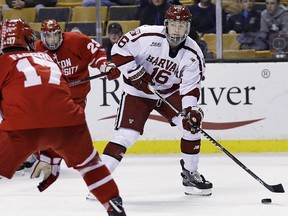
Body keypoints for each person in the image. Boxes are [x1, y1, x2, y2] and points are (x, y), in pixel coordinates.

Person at [0, 18, 126, 216]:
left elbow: (35, 114)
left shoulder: (4, 62)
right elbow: (53, 106)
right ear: (30, 39)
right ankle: (112, 202)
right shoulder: (47, 59)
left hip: (23, 127)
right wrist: (49, 156)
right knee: (91, 165)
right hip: (70, 121)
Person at [102, 4, 213, 196]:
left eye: (182, 25)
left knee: (191, 126)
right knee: (126, 135)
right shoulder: (147, 35)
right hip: (138, 92)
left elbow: (190, 87)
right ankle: (100, 182)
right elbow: (119, 50)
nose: (177, 29)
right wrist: (133, 71)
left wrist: (190, 110)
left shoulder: (193, 53)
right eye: (173, 24)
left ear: (188, 27)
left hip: (169, 92)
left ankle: (190, 174)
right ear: (166, 24)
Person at [16, 19, 120, 173]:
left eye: (55, 35)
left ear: (61, 34)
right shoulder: (35, 49)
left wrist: (105, 66)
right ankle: (35, 156)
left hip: (76, 97)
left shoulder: (77, 41)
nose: (52, 40)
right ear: (42, 36)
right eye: (48, 36)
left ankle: (55, 156)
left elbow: (97, 52)